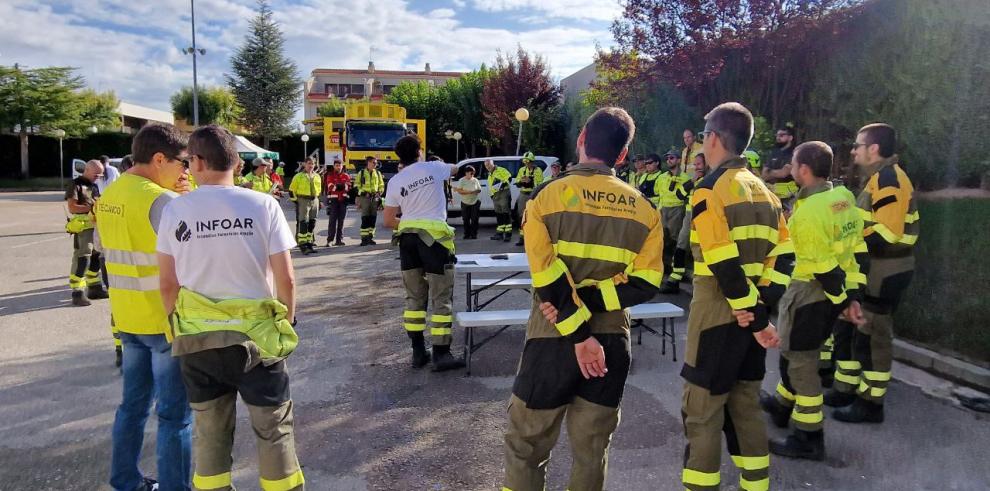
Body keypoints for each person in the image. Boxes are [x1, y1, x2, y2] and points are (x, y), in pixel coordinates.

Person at [502, 107, 662, 491]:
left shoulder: (546, 196)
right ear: (622, 156)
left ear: (581, 141)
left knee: (527, 446)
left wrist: (577, 328)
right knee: (592, 451)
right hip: (611, 342)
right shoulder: (645, 209)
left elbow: (546, 274)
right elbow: (647, 282)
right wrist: (592, 306)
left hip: (552, 336)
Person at [158, 125, 304, 491]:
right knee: (274, 431)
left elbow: (167, 283)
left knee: (209, 433)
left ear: (198, 161)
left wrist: (177, 326)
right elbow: (285, 277)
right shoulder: (263, 204)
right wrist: (286, 322)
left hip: (198, 340)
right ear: (237, 162)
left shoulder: (176, 210)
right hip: (259, 342)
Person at [680, 102, 793, 491]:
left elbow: (721, 258)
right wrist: (761, 308)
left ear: (711, 137)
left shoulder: (709, 189)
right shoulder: (767, 194)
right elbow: (785, 257)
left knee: (703, 409)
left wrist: (752, 313)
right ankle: (756, 485)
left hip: (716, 309)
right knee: (745, 403)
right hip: (752, 309)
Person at [96, 123, 192, 491]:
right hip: (163, 320)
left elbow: (107, 250)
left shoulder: (111, 194)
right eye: (181, 163)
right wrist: (185, 198)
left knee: (131, 408)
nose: (184, 171)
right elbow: (192, 250)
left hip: (127, 319)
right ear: (158, 159)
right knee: (174, 417)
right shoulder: (162, 201)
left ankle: (125, 480)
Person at [759, 141, 868, 461]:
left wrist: (844, 301)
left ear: (803, 170)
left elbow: (823, 268)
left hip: (811, 293)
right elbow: (855, 248)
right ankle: (781, 406)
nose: (791, 169)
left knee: (801, 360)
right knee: (798, 352)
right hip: (834, 289)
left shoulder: (807, 214)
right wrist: (851, 297)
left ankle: (808, 437)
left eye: (793, 164)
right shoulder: (843, 197)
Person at [826, 123, 918, 424]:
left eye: (858, 145)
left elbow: (887, 233)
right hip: (873, 268)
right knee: (851, 328)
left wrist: (847, 240)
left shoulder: (889, 179)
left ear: (874, 149)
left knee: (873, 337)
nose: (853, 150)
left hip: (886, 270)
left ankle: (870, 404)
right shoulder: (879, 178)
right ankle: (846, 389)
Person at [382, 134, 465, 371]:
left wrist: (411, 221)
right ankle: (441, 354)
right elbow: (456, 169)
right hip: (435, 242)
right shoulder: (434, 167)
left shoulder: (395, 181)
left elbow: (388, 220)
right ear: (420, 151)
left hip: (407, 241)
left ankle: (418, 352)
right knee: (441, 297)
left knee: (414, 297)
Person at [65, 159, 107, 307]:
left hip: (95, 226)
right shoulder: (75, 184)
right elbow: (72, 207)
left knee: (96, 255)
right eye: (97, 174)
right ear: (87, 170)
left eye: (101, 174)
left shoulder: (94, 185)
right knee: (83, 258)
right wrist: (92, 208)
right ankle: (77, 292)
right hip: (83, 228)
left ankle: (94, 287)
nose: (99, 176)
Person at [657, 150, 695, 294]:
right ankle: (666, 271)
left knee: (676, 240)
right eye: (667, 158)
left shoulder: (685, 177)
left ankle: (676, 272)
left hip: (677, 211)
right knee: (663, 241)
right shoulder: (661, 177)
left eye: (672, 158)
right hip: (663, 210)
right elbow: (660, 194)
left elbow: (682, 196)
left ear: (679, 160)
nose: (669, 160)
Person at [288, 157, 322, 254]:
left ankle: (309, 243)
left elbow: (319, 189)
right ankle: (303, 244)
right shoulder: (298, 176)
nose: (311, 166)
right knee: (303, 222)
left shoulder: (317, 176)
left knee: (312, 222)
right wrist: (296, 201)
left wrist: (318, 200)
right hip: (303, 200)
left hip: (314, 200)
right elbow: (291, 190)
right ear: (304, 164)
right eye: (309, 163)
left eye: (312, 164)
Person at [513, 152, 545, 247]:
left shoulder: (538, 170)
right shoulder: (522, 170)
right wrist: (521, 182)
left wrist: (530, 181)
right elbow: (517, 181)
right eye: (525, 162)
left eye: (528, 162)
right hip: (523, 194)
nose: (527, 164)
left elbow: (539, 184)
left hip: (533, 194)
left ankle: (533, 237)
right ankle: (522, 237)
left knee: (533, 215)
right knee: (521, 215)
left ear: (532, 162)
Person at [762, 126, 800, 206]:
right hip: (772, 195)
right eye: (777, 135)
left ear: (790, 138)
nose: (778, 137)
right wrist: (776, 172)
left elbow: (784, 173)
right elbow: (764, 175)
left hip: (789, 197)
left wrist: (770, 172)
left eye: (782, 135)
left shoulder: (795, 153)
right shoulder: (773, 153)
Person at [355, 156, 385, 246]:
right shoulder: (362, 173)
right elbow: (356, 186)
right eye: (373, 162)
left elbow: (381, 185)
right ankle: (364, 239)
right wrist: (363, 193)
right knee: (365, 218)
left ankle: (370, 237)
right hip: (365, 198)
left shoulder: (378, 173)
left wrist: (379, 192)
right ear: (368, 163)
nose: (375, 164)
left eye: (376, 163)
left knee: (373, 218)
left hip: (375, 198)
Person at [324, 159, 351, 247]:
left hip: (343, 201)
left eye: (340, 165)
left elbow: (348, 187)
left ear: (342, 166)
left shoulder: (346, 176)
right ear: (334, 166)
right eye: (336, 165)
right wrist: (342, 186)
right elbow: (331, 187)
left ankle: (339, 240)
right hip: (334, 201)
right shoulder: (330, 175)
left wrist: (339, 186)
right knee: (332, 221)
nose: (338, 167)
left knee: (341, 221)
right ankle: (330, 240)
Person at [485, 159, 513, 242]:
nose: (488, 167)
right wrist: (492, 195)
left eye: (489, 165)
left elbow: (509, 178)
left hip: (503, 192)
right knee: (499, 214)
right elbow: (491, 186)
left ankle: (508, 234)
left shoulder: (501, 170)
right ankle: (500, 233)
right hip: (495, 195)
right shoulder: (490, 174)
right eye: (486, 166)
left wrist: (503, 183)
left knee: (506, 213)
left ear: (493, 164)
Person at [455, 165, 481, 239]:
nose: (472, 175)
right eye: (471, 173)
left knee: (475, 219)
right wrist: (469, 192)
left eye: (473, 173)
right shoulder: (462, 180)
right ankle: (466, 234)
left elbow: (479, 189)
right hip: (465, 202)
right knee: (466, 219)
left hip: (475, 202)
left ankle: (474, 234)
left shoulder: (475, 180)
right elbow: (459, 190)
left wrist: (476, 191)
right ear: (466, 173)